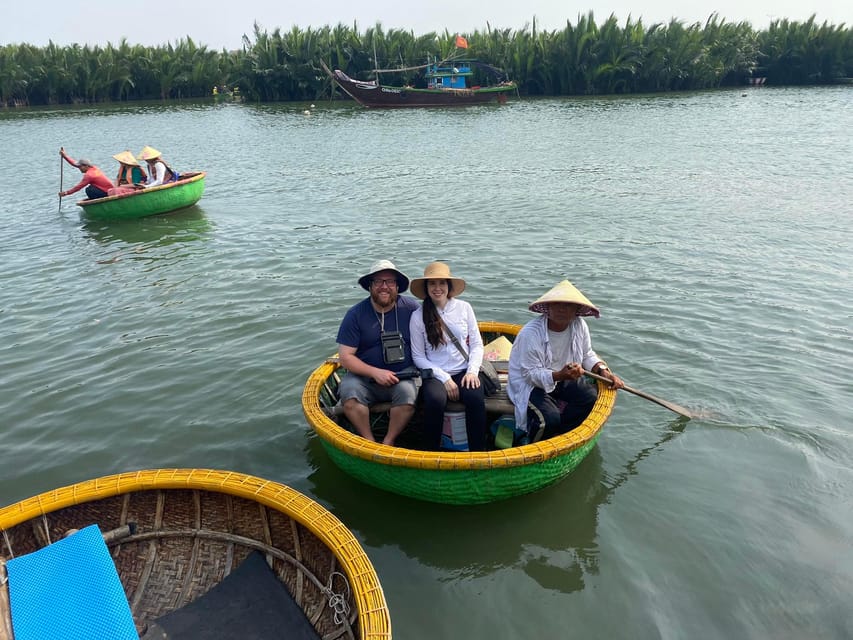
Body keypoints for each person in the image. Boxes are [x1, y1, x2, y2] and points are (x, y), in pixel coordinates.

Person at [507, 279, 624, 442]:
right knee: (550, 417)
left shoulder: (579, 325)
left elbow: (587, 355)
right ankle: (534, 441)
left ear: (577, 309)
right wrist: (559, 375)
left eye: (568, 305)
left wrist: (604, 372)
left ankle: (560, 435)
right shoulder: (531, 333)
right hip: (531, 384)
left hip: (563, 377)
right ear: (548, 308)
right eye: (556, 304)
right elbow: (530, 375)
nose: (562, 309)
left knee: (590, 397)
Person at [336, 260, 421, 446]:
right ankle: (370, 440)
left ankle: (389, 441)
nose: (384, 287)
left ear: (397, 286)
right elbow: (345, 357)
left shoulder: (412, 309)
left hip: (402, 375)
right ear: (370, 286)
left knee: (408, 395)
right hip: (364, 378)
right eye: (378, 282)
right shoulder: (355, 314)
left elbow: (431, 334)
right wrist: (375, 372)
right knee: (349, 394)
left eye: (390, 282)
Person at [409, 262, 486, 451]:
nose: (437, 288)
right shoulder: (417, 316)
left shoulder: (464, 308)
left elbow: (476, 344)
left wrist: (472, 372)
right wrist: (444, 378)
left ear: (449, 286)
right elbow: (418, 356)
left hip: (463, 369)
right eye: (432, 284)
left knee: (475, 397)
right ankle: (430, 452)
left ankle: (478, 451)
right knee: (435, 400)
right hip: (436, 373)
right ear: (426, 288)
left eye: (442, 283)